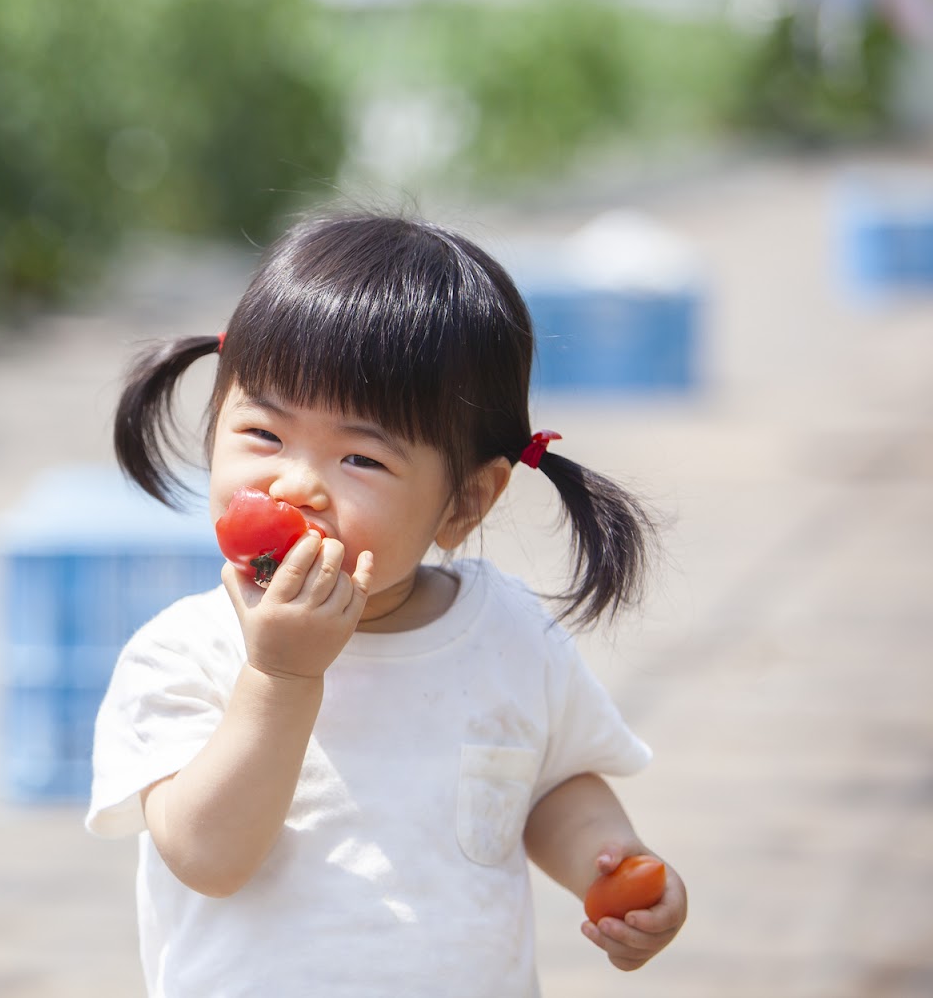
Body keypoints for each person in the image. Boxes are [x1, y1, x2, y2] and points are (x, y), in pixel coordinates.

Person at [85, 211, 688, 996]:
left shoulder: (508, 638)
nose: (295, 485)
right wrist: (280, 678)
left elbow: (550, 783)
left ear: (464, 503)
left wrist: (612, 864)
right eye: (264, 435)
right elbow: (206, 857)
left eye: (360, 457)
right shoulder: (186, 653)